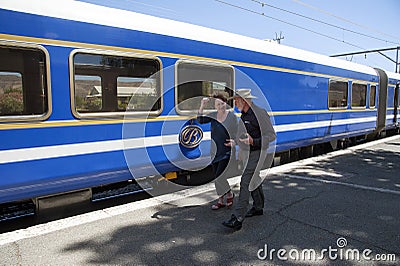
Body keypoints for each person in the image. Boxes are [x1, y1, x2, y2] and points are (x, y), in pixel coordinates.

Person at [222, 88, 276, 230]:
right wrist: (236, 142)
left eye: (236, 101)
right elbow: (242, 136)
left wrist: (254, 141)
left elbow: (271, 136)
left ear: (244, 101)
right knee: (255, 179)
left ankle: (238, 218)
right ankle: (258, 207)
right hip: (249, 152)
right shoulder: (243, 115)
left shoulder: (260, 114)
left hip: (258, 152)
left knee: (245, 181)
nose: (235, 104)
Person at [197, 92, 238, 210]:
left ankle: (229, 194)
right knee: (216, 176)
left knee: (220, 176)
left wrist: (234, 141)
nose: (220, 106)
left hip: (226, 151)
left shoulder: (232, 116)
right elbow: (200, 120)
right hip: (214, 151)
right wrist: (202, 105)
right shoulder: (213, 115)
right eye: (217, 104)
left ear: (226, 103)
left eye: (222, 103)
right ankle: (221, 199)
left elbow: (238, 131)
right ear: (215, 106)